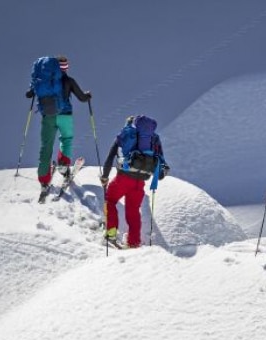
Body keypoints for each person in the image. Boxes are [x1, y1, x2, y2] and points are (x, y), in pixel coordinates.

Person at [100, 115, 168, 249]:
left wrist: (105, 177)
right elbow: (160, 163)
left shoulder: (125, 134)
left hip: (123, 178)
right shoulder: (153, 138)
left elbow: (109, 158)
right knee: (133, 210)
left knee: (111, 200)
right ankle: (134, 242)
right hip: (140, 182)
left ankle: (111, 232)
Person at [26, 55, 91, 189]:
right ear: (65, 67)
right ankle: (63, 164)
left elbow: (30, 93)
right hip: (65, 116)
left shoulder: (42, 81)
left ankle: (44, 178)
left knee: (46, 146)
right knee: (66, 139)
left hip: (47, 117)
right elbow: (82, 98)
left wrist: (31, 93)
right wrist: (87, 95)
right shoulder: (68, 80)